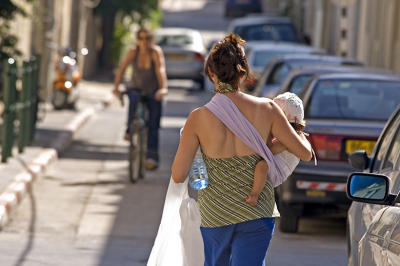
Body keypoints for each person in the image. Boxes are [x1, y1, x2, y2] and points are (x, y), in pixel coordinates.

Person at [171, 33, 312, 266]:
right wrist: (269, 148)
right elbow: (304, 153)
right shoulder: (267, 109)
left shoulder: (197, 119)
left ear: (211, 75)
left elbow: (178, 174)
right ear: (244, 73)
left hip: (216, 211)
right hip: (257, 211)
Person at [113, 27, 168, 170]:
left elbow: (160, 70)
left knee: (153, 124)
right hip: (136, 88)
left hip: (153, 90)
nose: (144, 42)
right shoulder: (133, 51)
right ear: (137, 40)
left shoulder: (155, 52)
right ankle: (129, 130)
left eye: (147, 38)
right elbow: (122, 68)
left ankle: (152, 157)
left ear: (152, 39)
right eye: (141, 39)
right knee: (132, 98)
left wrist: (162, 89)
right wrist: (116, 87)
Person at [245, 92, 307, 206]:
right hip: (277, 169)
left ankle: (254, 195)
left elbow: (268, 151)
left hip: (277, 171)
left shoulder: (287, 141)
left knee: (262, 165)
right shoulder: (297, 136)